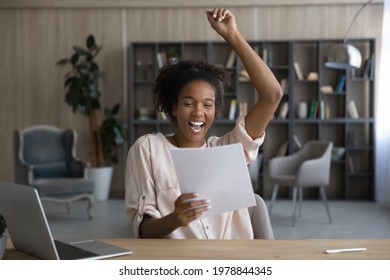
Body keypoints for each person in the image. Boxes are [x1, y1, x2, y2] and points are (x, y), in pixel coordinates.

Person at [125, 8, 282, 239]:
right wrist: (175, 219)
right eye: (189, 103)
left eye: (207, 104)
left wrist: (232, 35)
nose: (199, 112)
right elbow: (143, 230)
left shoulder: (227, 151)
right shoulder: (148, 149)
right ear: (173, 107)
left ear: (215, 110)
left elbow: (273, 95)